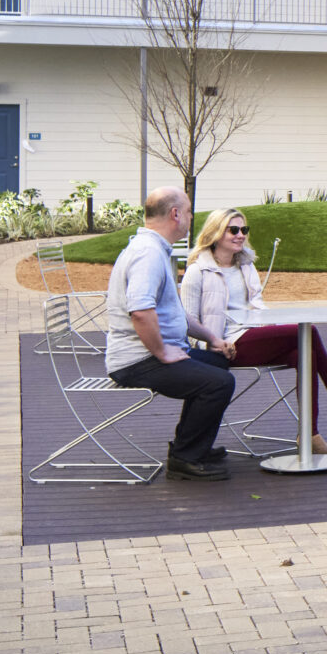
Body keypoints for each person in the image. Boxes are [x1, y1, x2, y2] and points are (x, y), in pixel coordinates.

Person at [181, 209, 327, 454]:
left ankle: (311, 435)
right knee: (308, 331)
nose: (240, 235)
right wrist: (210, 344)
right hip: (225, 345)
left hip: (252, 335)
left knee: (305, 352)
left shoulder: (245, 265)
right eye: (233, 230)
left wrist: (266, 323)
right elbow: (188, 321)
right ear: (215, 232)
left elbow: (257, 304)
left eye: (244, 230)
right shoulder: (198, 271)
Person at [104, 187, 235, 480]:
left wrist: (212, 339)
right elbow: (140, 310)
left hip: (149, 353)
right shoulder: (147, 254)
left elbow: (174, 313)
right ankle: (185, 458)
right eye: (189, 211)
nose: (191, 217)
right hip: (137, 361)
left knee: (218, 365)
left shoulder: (155, 250)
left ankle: (191, 446)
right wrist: (162, 351)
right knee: (218, 383)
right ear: (175, 214)